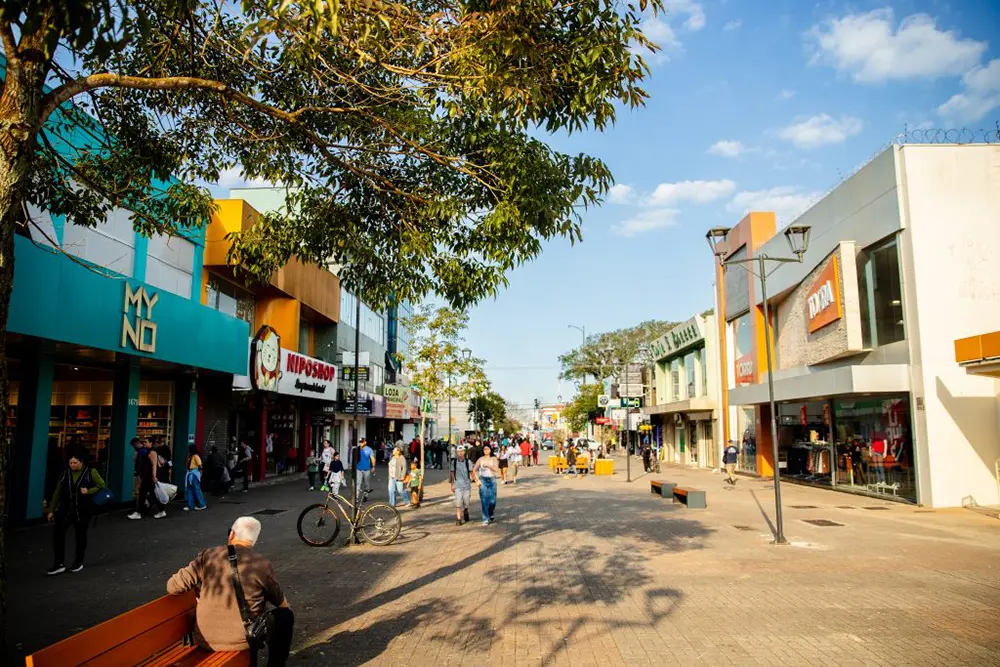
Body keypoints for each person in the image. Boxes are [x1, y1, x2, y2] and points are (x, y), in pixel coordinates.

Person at [166, 517, 294, 666]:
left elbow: (172, 586)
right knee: (285, 616)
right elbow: (281, 603)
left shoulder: (209, 555)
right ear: (253, 540)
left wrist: (198, 588)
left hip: (205, 638)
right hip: (243, 640)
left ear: (231, 534)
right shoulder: (262, 563)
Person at [45, 449, 107, 574]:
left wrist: (88, 491)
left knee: (80, 534)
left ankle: (78, 561)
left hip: (83, 508)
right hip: (66, 508)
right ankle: (59, 563)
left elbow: (102, 485)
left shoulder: (91, 472)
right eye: (70, 463)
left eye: (75, 462)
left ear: (81, 462)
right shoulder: (65, 474)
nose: (72, 465)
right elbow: (58, 492)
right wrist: (51, 509)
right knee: (58, 533)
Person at [128, 437, 166, 519]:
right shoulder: (147, 451)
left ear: (151, 443)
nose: (144, 443)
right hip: (147, 476)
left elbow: (154, 465)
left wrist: (154, 476)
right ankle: (161, 510)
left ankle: (138, 512)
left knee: (143, 493)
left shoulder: (152, 452)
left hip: (149, 477)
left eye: (146, 442)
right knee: (152, 494)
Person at [449, 445, 476, 525]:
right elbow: (452, 473)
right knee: (458, 502)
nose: (460, 453)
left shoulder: (468, 462)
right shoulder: (454, 462)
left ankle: (466, 510)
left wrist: (477, 481)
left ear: (464, 452)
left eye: (462, 451)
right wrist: (452, 484)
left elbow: (472, 472)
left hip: (467, 485)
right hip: (458, 486)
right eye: (459, 452)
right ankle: (458, 519)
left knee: (466, 501)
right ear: (457, 453)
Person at [473, 444, 499, 525]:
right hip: (483, 480)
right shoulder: (480, 459)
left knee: (492, 501)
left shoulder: (493, 459)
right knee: (484, 500)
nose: (486, 450)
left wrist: (488, 465)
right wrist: (477, 480)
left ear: (490, 450)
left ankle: (490, 513)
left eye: (487, 449)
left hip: (492, 480)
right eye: (484, 449)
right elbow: (473, 471)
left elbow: (496, 469)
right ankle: (485, 518)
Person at [184, 444, 207, 511]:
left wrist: (200, 473)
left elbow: (200, 466)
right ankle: (190, 505)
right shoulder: (190, 456)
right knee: (189, 490)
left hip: (194, 474)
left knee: (196, 489)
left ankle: (202, 504)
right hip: (190, 473)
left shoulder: (196, 456)